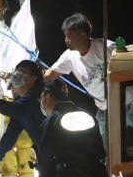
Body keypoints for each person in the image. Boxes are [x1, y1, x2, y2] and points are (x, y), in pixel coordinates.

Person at [43, 13, 115, 148]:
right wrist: (33, 73)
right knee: (108, 150)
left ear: (83, 35)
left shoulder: (107, 48)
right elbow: (49, 74)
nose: (65, 40)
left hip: (127, 104)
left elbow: (130, 70)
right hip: (103, 109)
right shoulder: (69, 57)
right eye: (65, 36)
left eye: (69, 37)